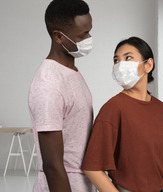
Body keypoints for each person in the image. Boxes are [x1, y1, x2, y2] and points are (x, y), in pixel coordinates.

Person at [81, 36, 163, 192]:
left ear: (148, 65)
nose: (120, 65)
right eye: (116, 60)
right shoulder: (113, 108)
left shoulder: (159, 107)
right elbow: (92, 167)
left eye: (128, 58)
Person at [28, 0, 96, 191]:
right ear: (58, 36)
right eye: (83, 35)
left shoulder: (71, 72)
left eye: (90, 31)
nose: (89, 38)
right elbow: (52, 166)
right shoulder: (49, 83)